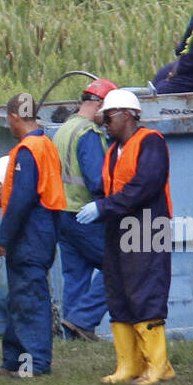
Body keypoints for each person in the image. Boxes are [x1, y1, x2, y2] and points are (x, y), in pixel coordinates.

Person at [76, 89, 175, 385]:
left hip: (147, 228)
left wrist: (103, 207)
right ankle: (129, 365)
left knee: (146, 292)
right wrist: (98, 205)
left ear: (127, 115)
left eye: (108, 117)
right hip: (118, 230)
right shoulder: (112, 152)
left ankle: (158, 366)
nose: (104, 123)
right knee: (118, 293)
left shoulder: (151, 143)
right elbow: (106, 188)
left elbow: (144, 186)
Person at [0, 93, 65, 378]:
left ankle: (34, 363)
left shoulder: (27, 151)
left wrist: (3, 238)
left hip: (30, 234)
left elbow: (22, 199)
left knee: (30, 299)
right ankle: (14, 361)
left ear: (13, 117)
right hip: (45, 228)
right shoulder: (46, 145)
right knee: (19, 298)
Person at [52, 78, 116, 341]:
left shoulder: (64, 129)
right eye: (109, 112)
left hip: (62, 214)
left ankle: (73, 337)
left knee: (75, 275)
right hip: (84, 214)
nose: (110, 119)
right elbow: (96, 180)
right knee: (118, 267)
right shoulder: (88, 134)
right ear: (99, 105)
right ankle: (83, 320)